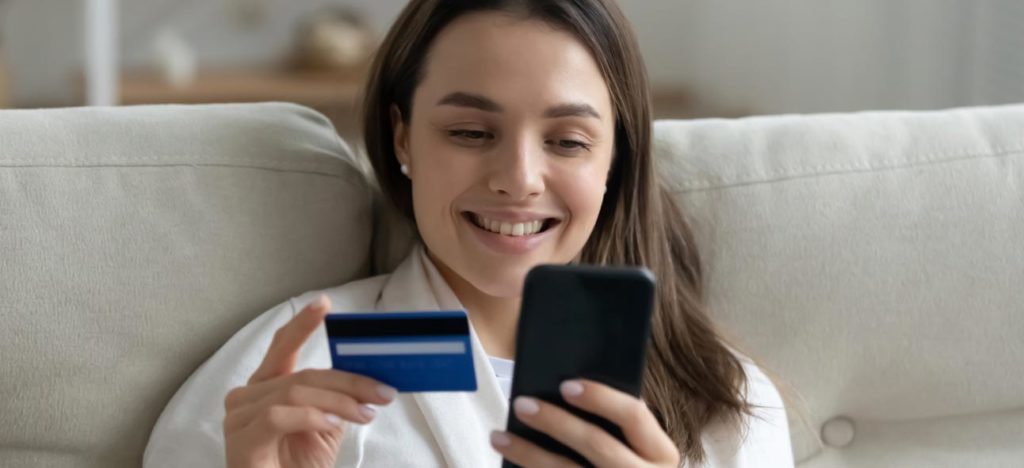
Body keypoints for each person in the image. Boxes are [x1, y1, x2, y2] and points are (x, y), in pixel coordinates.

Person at [144, 0, 794, 467]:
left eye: (567, 141)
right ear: (403, 138)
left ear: (615, 159)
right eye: (470, 133)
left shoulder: (726, 405)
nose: (518, 179)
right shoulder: (287, 372)